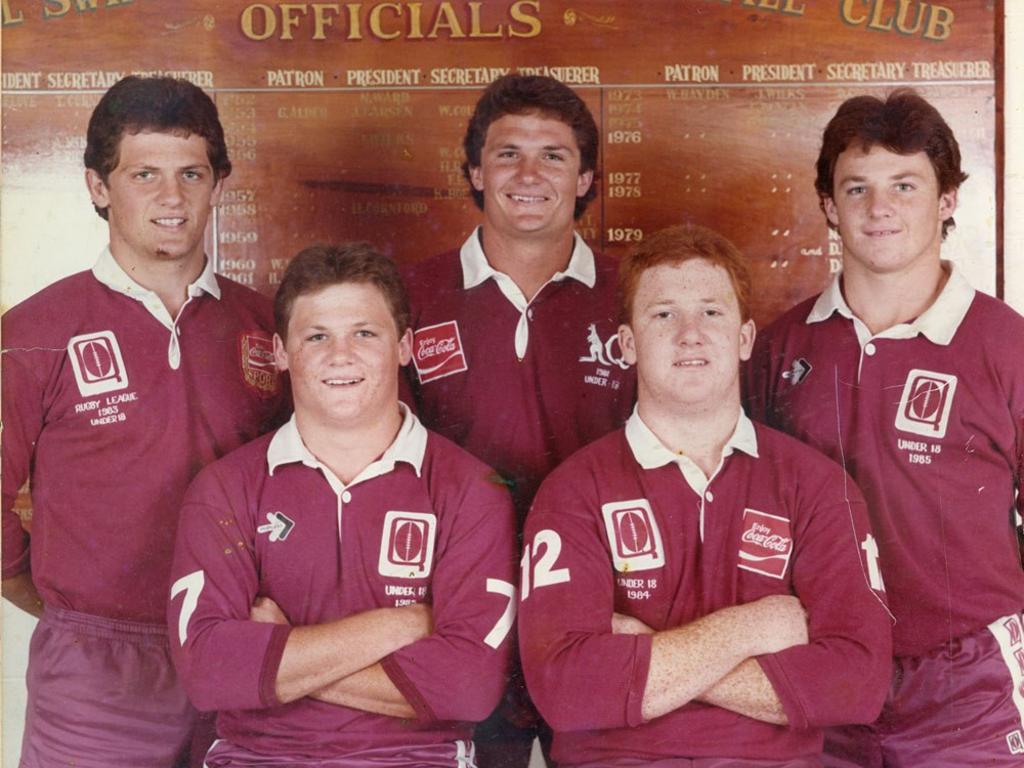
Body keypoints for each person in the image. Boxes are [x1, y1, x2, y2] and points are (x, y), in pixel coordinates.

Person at [519, 225, 892, 767]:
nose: (690, 333)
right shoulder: (574, 491)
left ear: (744, 339)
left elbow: (856, 685)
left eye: (712, 313)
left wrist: (644, 649)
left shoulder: (816, 486)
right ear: (626, 345)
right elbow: (566, 692)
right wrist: (752, 628)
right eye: (663, 313)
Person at [1, 76, 284, 767]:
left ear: (220, 184)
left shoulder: (266, 325)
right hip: (97, 668)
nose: (171, 197)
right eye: (144, 174)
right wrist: (50, 601)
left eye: (191, 173)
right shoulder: (35, 331)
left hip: (241, 653)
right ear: (100, 187)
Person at [746, 89, 1024, 767]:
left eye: (905, 184)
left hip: (966, 688)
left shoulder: (1006, 344)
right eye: (857, 188)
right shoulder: (781, 348)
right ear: (828, 206)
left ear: (948, 200)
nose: (880, 209)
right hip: (820, 670)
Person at [168, 244, 517, 766]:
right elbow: (209, 673)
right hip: (257, 756)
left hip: (418, 756)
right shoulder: (225, 487)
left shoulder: (471, 489)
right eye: (316, 336)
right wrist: (399, 626)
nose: (340, 355)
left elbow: (468, 688)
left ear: (405, 346)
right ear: (281, 352)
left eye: (365, 333)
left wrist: (278, 654)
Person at [402, 72, 636, 765]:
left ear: (587, 176)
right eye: (507, 154)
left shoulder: (639, 294)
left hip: (606, 608)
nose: (528, 173)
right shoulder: (411, 294)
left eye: (554, 155)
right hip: (456, 608)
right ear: (475, 170)